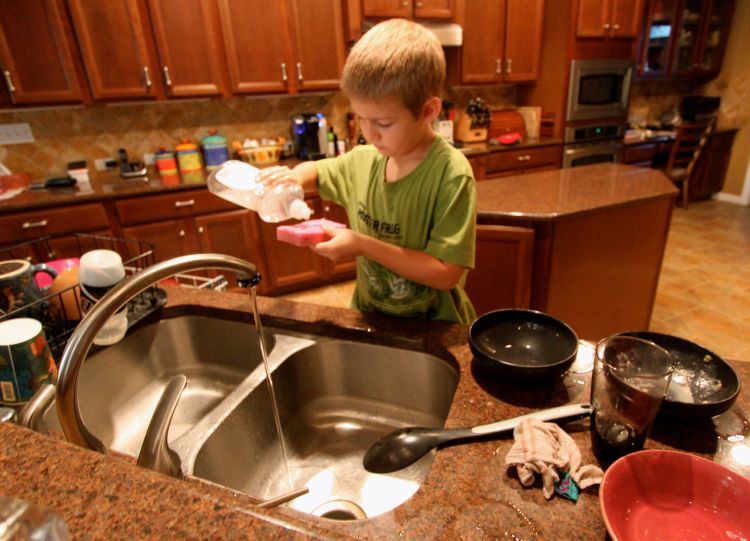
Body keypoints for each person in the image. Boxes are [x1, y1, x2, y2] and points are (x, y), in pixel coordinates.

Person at [262, 18, 477, 324]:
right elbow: (318, 171)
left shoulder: (451, 175)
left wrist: (361, 245)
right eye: (361, 118)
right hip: (370, 317)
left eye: (384, 123)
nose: (369, 134)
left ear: (428, 111)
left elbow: (445, 274)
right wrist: (294, 177)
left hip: (434, 328)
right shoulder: (363, 160)